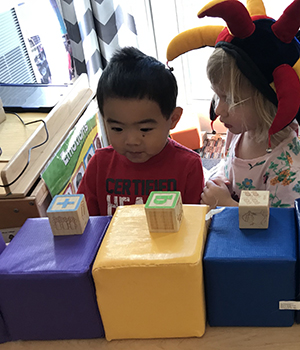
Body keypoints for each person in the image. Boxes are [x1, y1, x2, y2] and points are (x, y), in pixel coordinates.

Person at [166, 0, 300, 208]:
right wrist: (216, 180)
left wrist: (228, 205)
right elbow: (227, 166)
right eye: (217, 96)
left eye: (230, 99)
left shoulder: (286, 164)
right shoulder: (238, 131)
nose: (218, 111)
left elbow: (281, 229)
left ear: (264, 103)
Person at [77, 46, 204, 216]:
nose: (132, 140)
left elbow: (195, 225)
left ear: (173, 119)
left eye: (145, 129)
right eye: (117, 128)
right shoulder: (99, 165)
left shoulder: (189, 166)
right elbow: (85, 224)